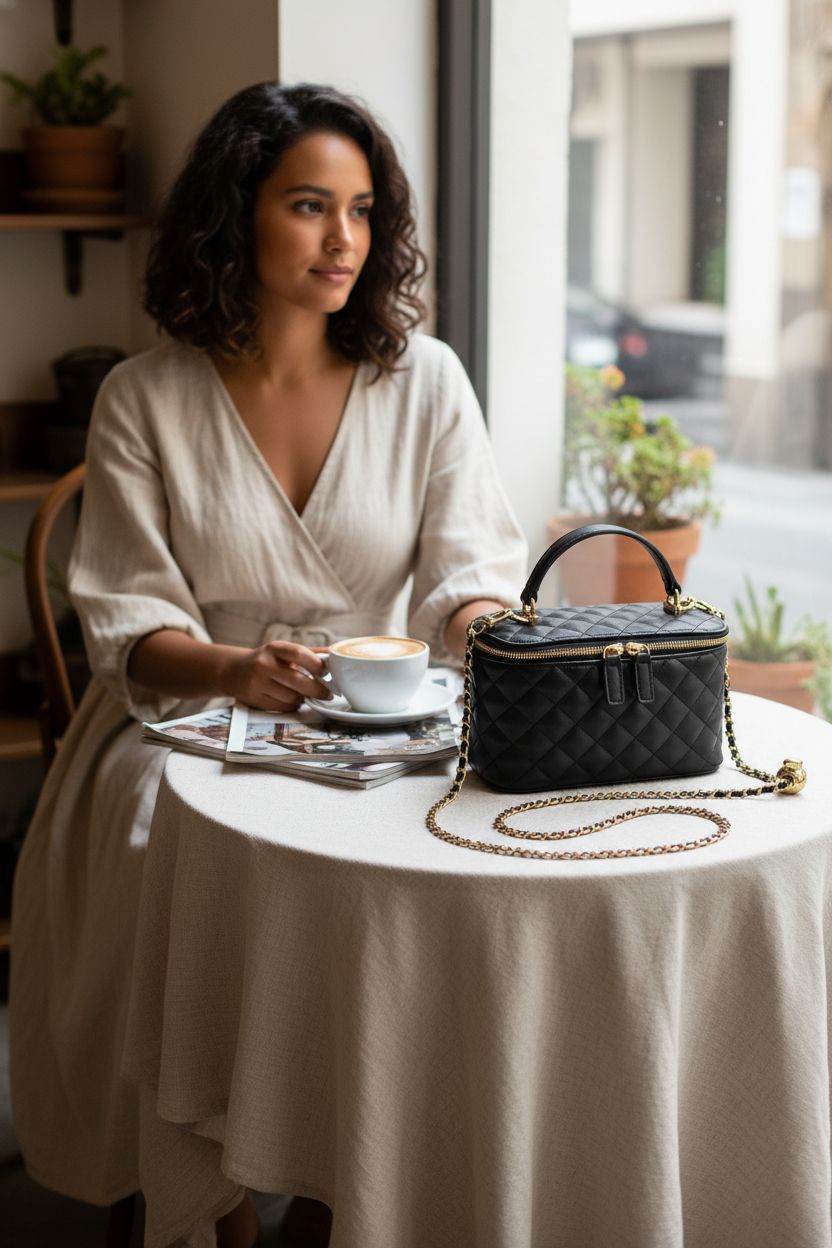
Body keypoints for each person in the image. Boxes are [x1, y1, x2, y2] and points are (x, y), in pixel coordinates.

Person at [9, 82, 527, 1247]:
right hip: (175, 725)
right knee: (165, 839)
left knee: (442, 861)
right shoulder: (145, 398)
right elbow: (128, 627)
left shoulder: (425, 382)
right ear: (234, 217)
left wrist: (485, 625)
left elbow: (462, 576)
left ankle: (360, 1181)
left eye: (360, 210)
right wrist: (238, 671)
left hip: (374, 724)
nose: (344, 239)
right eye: (308, 206)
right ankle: (218, 1209)